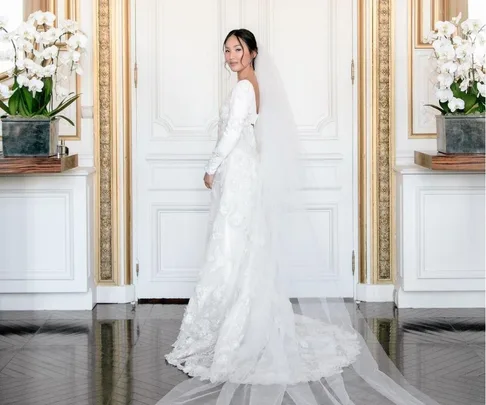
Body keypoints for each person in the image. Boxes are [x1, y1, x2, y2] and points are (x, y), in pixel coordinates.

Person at [159, 29, 443, 405]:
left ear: (252, 52)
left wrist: (210, 168)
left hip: (238, 171)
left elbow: (230, 134)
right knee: (243, 249)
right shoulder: (252, 83)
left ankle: (236, 331)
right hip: (245, 171)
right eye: (226, 50)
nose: (230, 56)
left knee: (230, 248)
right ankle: (244, 323)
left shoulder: (245, 87)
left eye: (237, 49)